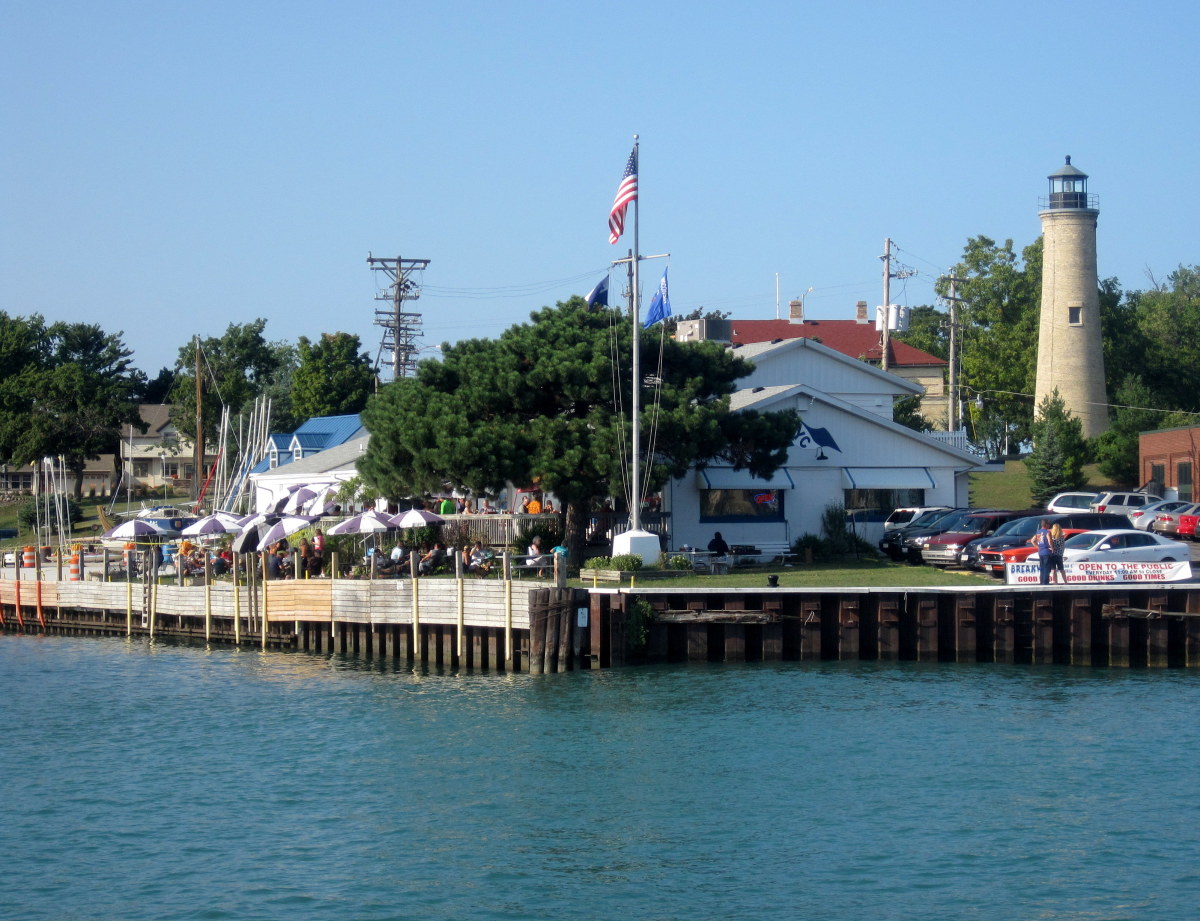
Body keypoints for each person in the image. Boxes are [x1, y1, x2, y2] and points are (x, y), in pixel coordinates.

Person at [1030, 519, 1053, 585]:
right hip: (1046, 551)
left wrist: (1038, 547)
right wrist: (1052, 547)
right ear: (1046, 524)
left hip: (1041, 552)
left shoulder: (1038, 532)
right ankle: (1045, 582)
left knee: (1042, 567)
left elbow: (1032, 541)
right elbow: (1049, 540)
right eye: (1048, 524)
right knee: (1047, 568)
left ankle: (1042, 582)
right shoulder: (1047, 532)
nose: (1049, 525)